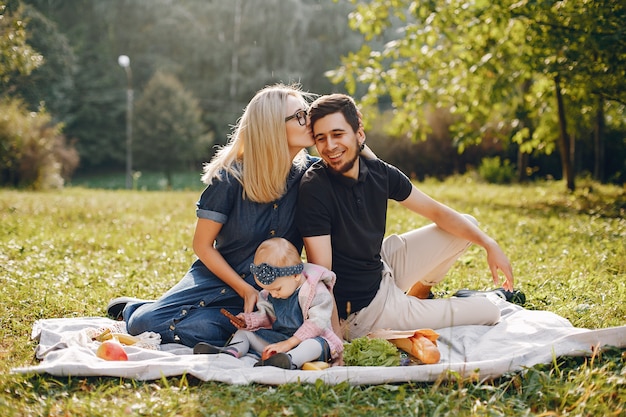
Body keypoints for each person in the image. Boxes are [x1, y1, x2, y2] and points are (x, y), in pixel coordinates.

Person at [106, 83, 319, 348]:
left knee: (249, 330)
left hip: (275, 292)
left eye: (307, 112)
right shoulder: (230, 177)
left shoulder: (313, 175)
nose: (309, 120)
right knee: (143, 325)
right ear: (272, 127)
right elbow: (202, 245)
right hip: (217, 277)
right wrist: (244, 289)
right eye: (299, 116)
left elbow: (361, 165)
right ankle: (138, 310)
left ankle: (214, 326)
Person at [296, 93, 516, 342]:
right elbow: (323, 274)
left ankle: (419, 295)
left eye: (338, 134)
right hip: (365, 311)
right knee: (490, 310)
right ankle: (413, 308)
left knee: (467, 225)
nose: (329, 146)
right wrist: (335, 340)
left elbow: (436, 212)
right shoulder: (315, 187)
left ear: (359, 134)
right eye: (320, 138)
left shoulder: (379, 172)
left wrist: (489, 244)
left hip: (381, 266)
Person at [193, 237, 343, 370]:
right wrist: (249, 321)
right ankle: (231, 352)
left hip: (308, 341)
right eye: (269, 290)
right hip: (280, 341)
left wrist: (290, 343)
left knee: (313, 345)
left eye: (277, 289)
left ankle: (290, 361)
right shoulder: (271, 293)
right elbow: (268, 316)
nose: (273, 294)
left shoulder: (315, 290)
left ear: (296, 275)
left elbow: (317, 323)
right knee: (244, 334)